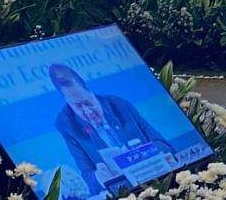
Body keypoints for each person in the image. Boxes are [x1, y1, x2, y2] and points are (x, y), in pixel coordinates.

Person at [50, 64, 175, 196]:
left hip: (155, 178)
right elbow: (88, 179)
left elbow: (166, 146)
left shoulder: (118, 104)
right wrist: (98, 176)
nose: (87, 111)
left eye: (87, 103)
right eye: (78, 107)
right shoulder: (67, 124)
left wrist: (139, 155)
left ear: (92, 94)